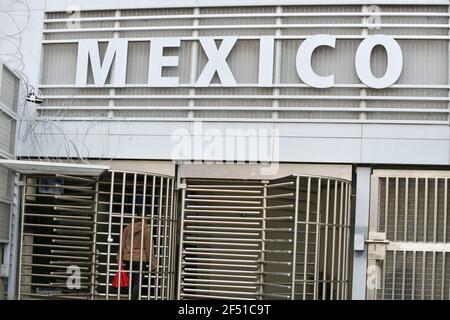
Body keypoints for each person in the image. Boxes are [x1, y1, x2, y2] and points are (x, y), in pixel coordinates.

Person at [116, 197, 157, 300]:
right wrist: (152, 261)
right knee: (137, 282)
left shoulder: (127, 228)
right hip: (140, 259)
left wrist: (119, 258)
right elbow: (148, 247)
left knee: (128, 280)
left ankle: (128, 296)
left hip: (127, 258)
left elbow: (122, 244)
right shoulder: (147, 229)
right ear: (146, 219)